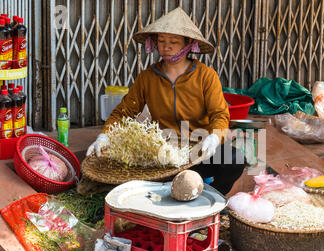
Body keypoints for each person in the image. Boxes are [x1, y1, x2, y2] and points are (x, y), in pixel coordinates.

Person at [86, 7, 246, 196]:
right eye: (161, 41)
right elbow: (123, 112)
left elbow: (219, 114)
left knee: (234, 159)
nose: (165, 47)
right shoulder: (147, 78)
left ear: (189, 45)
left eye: (173, 42)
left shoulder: (206, 76)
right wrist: (104, 135)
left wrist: (214, 137)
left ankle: (212, 195)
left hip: (199, 152)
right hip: (165, 154)